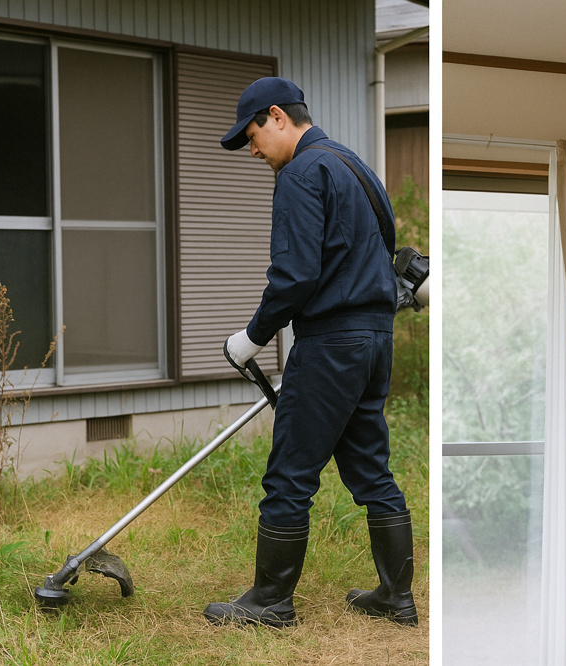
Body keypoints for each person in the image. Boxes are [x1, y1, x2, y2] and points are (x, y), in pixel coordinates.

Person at [202, 77, 417, 628]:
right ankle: (396, 598)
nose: (253, 151)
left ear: (277, 116)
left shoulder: (301, 173)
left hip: (331, 344)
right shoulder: (357, 167)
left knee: (290, 473)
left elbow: (294, 276)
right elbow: (384, 254)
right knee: (371, 470)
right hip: (375, 340)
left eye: (252, 136)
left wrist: (250, 338)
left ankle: (271, 602)